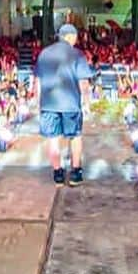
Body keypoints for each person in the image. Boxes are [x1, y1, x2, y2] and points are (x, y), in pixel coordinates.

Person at [32, 23, 95, 186]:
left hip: (48, 104)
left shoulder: (44, 53)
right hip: (71, 104)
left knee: (53, 139)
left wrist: (38, 102)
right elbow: (84, 83)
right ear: (71, 36)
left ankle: (58, 173)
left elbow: (37, 81)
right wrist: (87, 103)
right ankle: (75, 173)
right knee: (75, 136)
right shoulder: (77, 55)